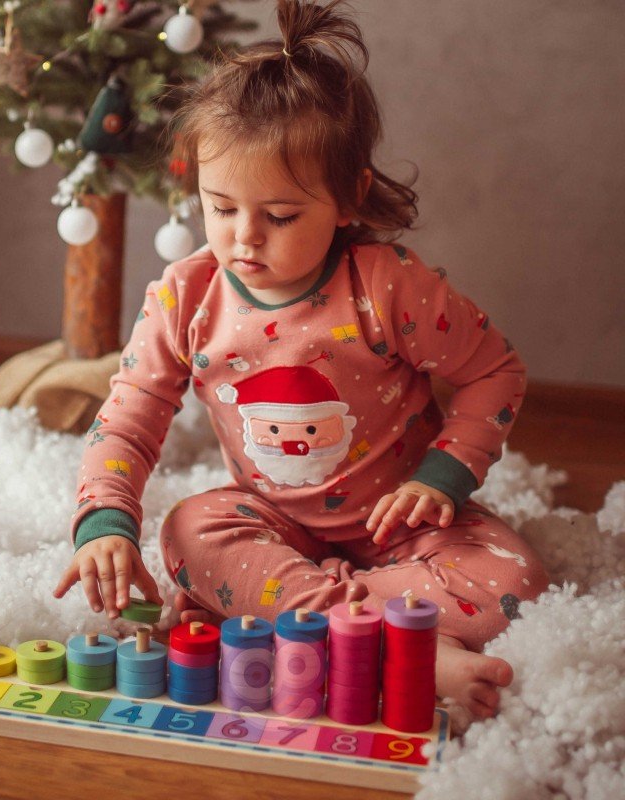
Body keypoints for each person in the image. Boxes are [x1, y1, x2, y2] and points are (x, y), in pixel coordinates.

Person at [54, 0, 550, 720]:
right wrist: (104, 522)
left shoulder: (388, 286)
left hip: (402, 526)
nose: (244, 238)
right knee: (189, 532)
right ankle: (387, 644)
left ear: (348, 198)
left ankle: (305, 626)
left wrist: (444, 473)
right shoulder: (185, 298)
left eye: (279, 216)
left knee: (517, 580)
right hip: (273, 523)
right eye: (220, 208)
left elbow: (495, 370)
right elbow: (127, 420)